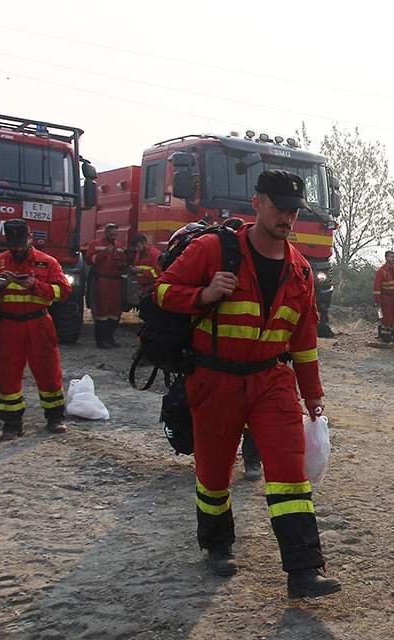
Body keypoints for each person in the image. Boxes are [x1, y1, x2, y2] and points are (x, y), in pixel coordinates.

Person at [153, 170, 339, 597]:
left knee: (290, 471)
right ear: (257, 203)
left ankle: (303, 570)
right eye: (279, 207)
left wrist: (313, 396)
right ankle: (217, 543)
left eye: (293, 211)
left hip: (272, 380)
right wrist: (202, 296)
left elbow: (305, 342)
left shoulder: (301, 271)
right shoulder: (212, 250)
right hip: (215, 378)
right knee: (216, 470)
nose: (287, 218)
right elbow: (162, 292)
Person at [0, 220, 71, 439]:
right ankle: (12, 424)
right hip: (8, 325)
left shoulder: (47, 262)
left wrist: (35, 285)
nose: (18, 249)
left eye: (21, 243)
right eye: (14, 244)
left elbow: (64, 292)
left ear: (30, 238)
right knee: (8, 375)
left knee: (49, 372)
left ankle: (55, 417)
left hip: (39, 323)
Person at [85, 222, 127, 349]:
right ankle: (101, 340)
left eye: (115, 234)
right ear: (106, 233)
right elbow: (89, 260)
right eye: (111, 234)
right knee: (101, 310)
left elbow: (124, 261)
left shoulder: (119, 246)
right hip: (101, 279)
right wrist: (103, 254)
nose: (114, 237)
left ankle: (110, 337)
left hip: (116, 281)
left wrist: (122, 264)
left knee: (115, 311)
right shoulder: (95, 244)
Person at [127, 233, 162, 303]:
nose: (137, 249)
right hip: (141, 287)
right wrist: (133, 270)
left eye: (138, 246)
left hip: (151, 288)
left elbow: (158, 273)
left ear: (144, 243)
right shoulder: (140, 253)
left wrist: (141, 270)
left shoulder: (155, 254)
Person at [373, 250, 394, 343]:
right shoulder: (381, 271)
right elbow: (376, 288)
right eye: (391, 257)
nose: (393, 259)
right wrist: (378, 302)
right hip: (385, 298)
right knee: (385, 319)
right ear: (386, 258)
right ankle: (385, 337)